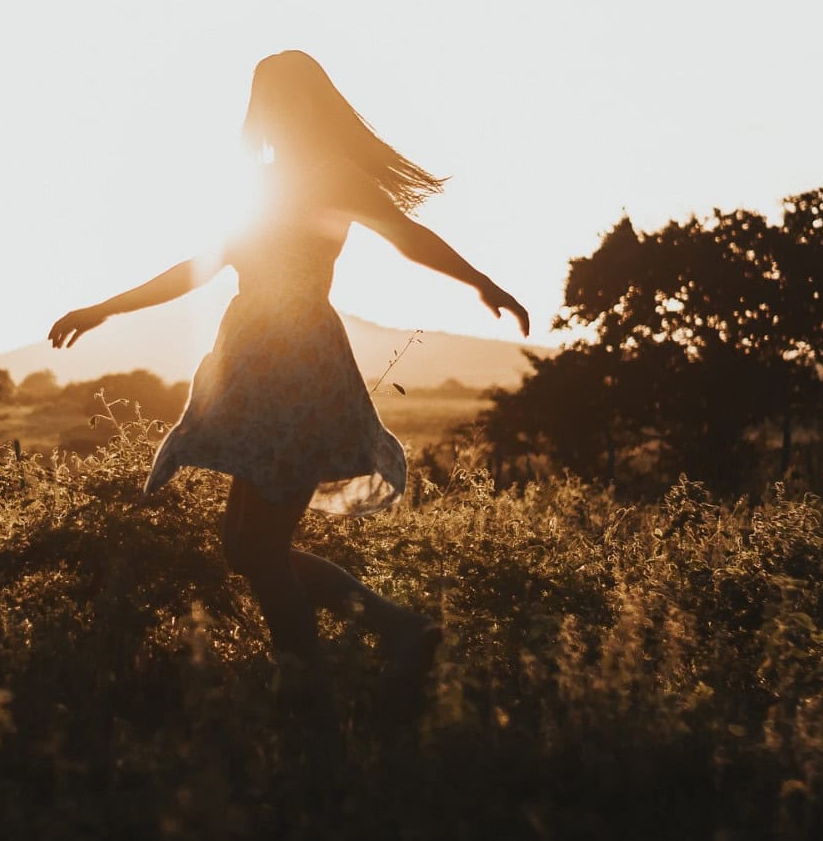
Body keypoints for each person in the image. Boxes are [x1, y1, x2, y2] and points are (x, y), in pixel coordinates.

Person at [48, 50, 529, 694]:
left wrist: (481, 282)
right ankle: (392, 632)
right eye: (262, 102)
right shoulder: (262, 184)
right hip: (252, 370)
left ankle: (315, 685)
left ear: (308, 105)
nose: (267, 114)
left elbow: (408, 238)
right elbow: (201, 264)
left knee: (261, 550)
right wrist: (106, 308)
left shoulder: (335, 175)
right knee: (245, 547)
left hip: (299, 371)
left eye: (279, 101)